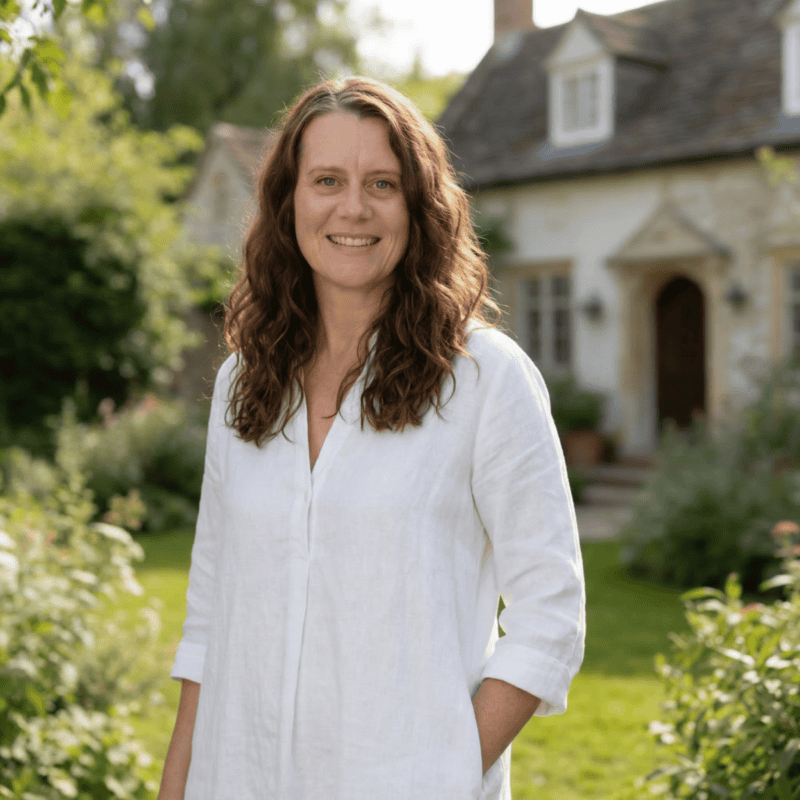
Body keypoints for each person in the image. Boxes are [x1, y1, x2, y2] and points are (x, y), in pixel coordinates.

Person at [158, 76, 585, 800]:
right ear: (288, 200)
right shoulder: (242, 380)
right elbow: (210, 615)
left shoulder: (486, 380)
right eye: (327, 180)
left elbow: (551, 618)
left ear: (418, 207)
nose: (352, 207)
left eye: (382, 183)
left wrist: (442, 770)